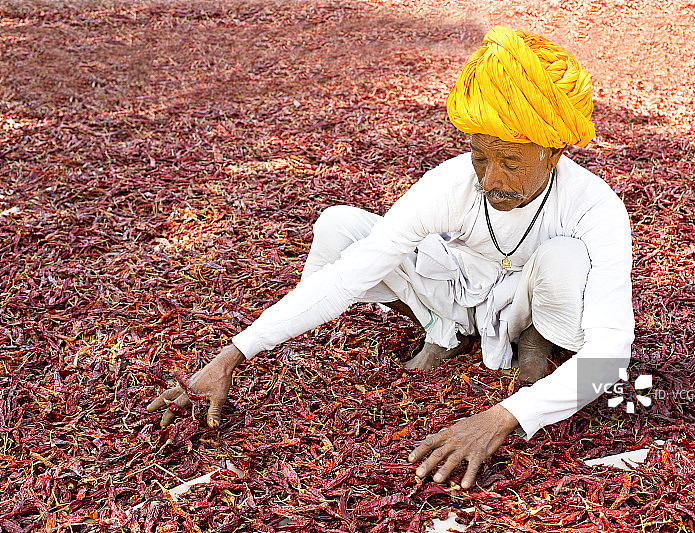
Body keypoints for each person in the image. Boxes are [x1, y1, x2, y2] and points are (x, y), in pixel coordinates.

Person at [147, 26, 634, 490]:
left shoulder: (595, 209)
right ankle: (444, 328)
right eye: (480, 157)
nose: (488, 179)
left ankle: (535, 345)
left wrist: (505, 417)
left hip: (533, 296)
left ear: (554, 152)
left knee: (565, 259)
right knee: (340, 227)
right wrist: (233, 354)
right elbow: (347, 276)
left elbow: (610, 354)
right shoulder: (451, 184)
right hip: (466, 286)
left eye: (510, 161)